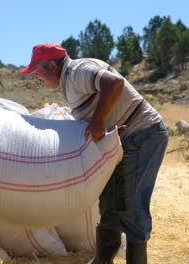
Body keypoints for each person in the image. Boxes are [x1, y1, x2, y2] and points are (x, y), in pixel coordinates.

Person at [21, 43, 168, 264]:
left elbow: (114, 83)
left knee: (131, 205)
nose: (35, 77)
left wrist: (98, 121)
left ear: (51, 65)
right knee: (108, 202)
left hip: (142, 134)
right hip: (122, 139)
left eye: (37, 71)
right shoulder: (69, 82)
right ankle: (102, 260)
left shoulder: (78, 71)